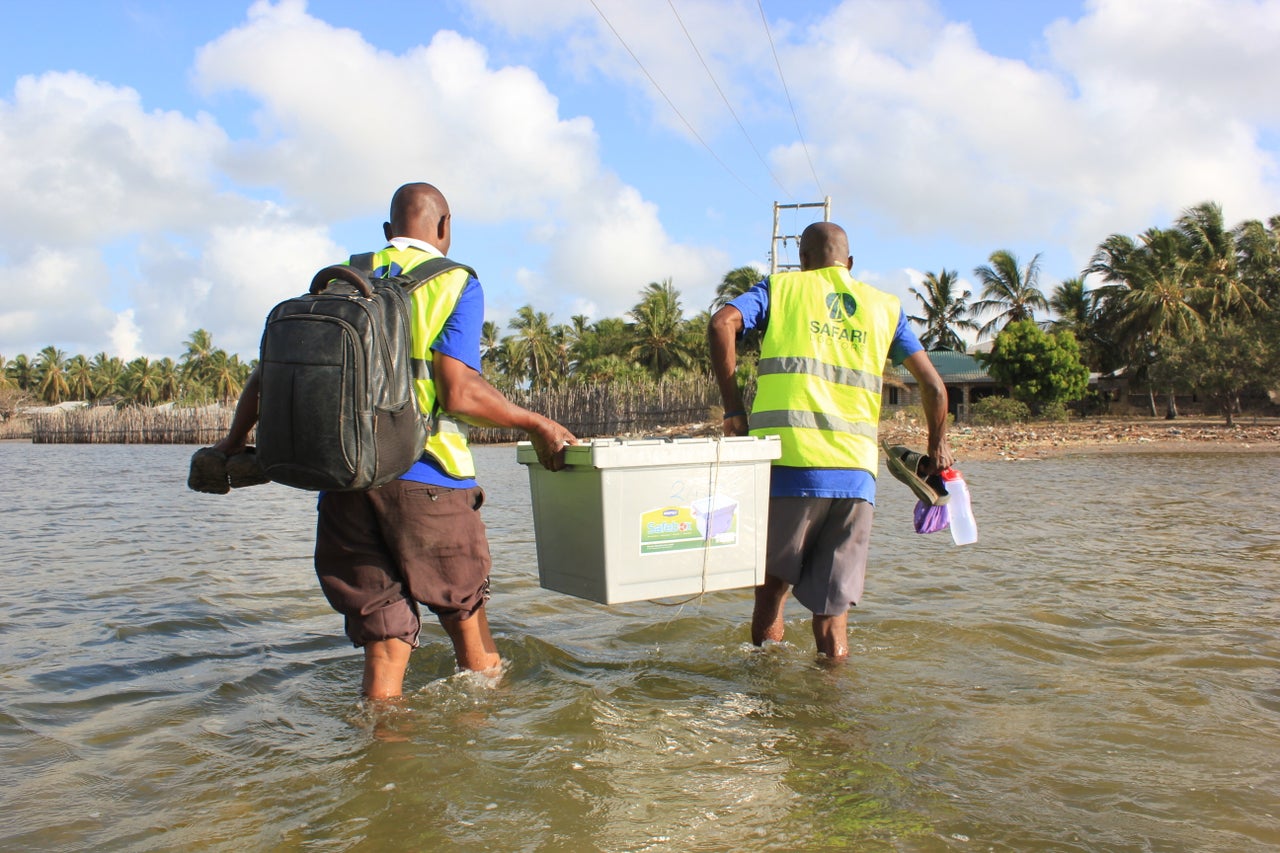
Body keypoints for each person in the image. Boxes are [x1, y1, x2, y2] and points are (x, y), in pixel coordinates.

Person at [211, 182, 576, 699]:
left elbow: (270, 371)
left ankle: (382, 766)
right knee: (469, 631)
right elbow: (459, 391)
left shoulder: (339, 282)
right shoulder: (456, 282)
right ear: (445, 228)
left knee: (383, 650)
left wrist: (231, 444)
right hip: (428, 478)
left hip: (344, 480)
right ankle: (480, 757)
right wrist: (536, 422)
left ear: (387, 233)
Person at [708, 221, 952, 660]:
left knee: (771, 592)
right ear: (850, 263)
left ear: (801, 261)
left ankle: (767, 700)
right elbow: (935, 387)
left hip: (789, 467)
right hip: (857, 478)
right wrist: (937, 450)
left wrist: (733, 412)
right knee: (832, 613)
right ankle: (835, 715)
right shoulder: (885, 307)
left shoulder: (782, 290)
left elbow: (722, 322)